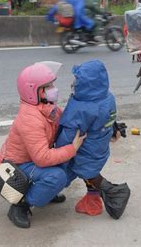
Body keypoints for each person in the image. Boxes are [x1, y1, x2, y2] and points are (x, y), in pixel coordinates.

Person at [0, 61, 85, 229]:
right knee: (57, 176)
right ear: (33, 91)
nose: (54, 89)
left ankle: (46, 192)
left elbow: (67, 119)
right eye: (48, 86)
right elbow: (42, 158)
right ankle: (20, 205)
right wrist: (72, 148)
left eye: (53, 84)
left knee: (72, 165)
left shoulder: (47, 108)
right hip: (15, 167)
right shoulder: (30, 118)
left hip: (31, 161)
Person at [55, 60, 130, 219]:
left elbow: (69, 133)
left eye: (77, 80)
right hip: (99, 146)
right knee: (90, 172)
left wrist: (57, 150)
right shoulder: (108, 97)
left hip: (84, 149)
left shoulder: (81, 107)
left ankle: (116, 193)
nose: (74, 83)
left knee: (87, 173)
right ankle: (93, 199)